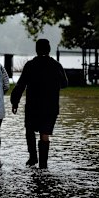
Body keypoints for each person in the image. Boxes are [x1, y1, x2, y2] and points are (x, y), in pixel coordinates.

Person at [11, 39, 68, 169]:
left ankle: (32, 157)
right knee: (45, 133)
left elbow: (21, 85)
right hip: (50, 106)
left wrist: (15, 102)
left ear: (36, 49)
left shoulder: (30, 65)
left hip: (33, 105)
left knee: (30, 130)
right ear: (49, 49)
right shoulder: (56, 65)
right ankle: (43, 164)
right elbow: (65, 83)